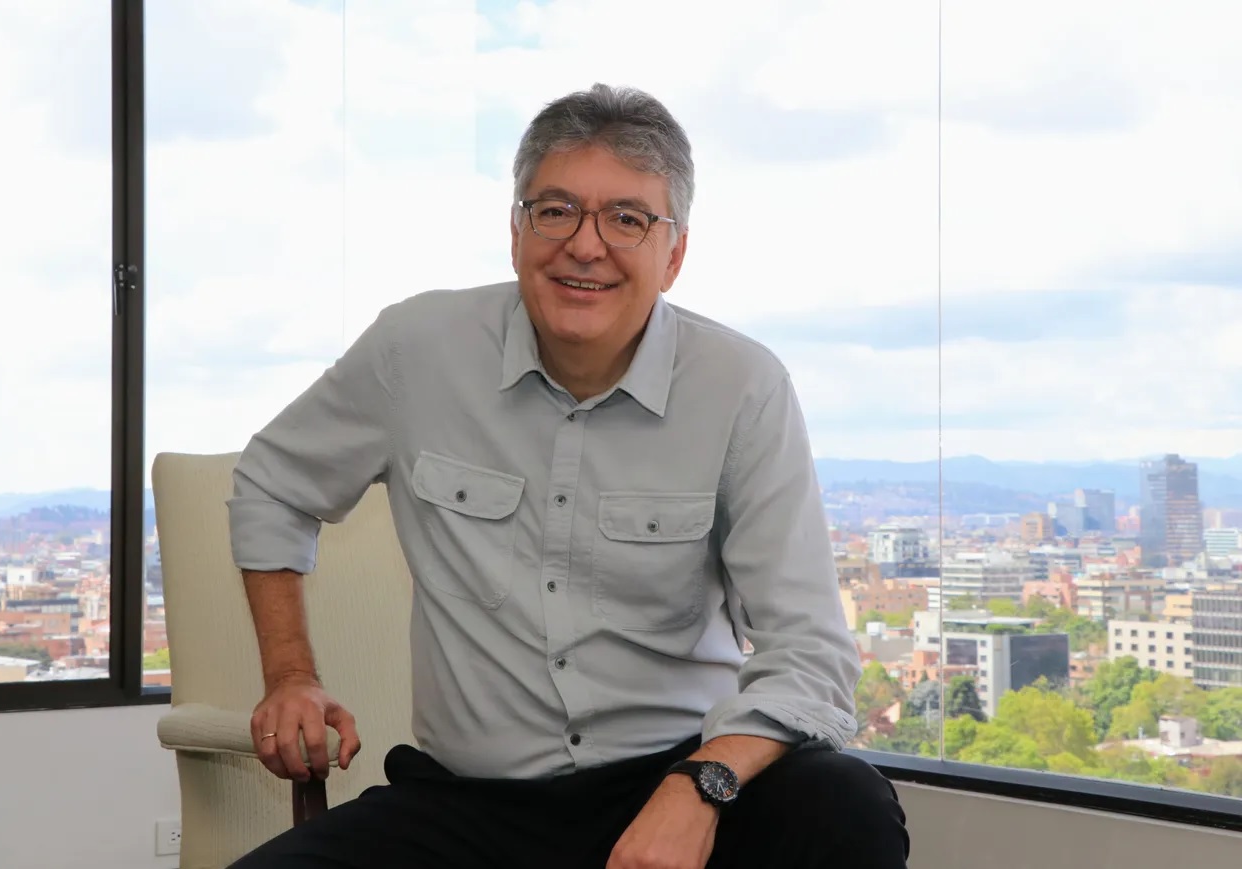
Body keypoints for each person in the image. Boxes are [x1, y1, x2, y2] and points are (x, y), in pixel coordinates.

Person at [226, 83, 909, 869]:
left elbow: (811, 657)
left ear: (674, 254)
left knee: (845, 803)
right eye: (556, 211)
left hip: (676, 777)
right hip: (466, 805)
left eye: (627, 218)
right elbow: (273, 482)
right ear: (516, 232)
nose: (585, 246)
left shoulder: (743, 387)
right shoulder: (415, 350)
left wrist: (701, 785)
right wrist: (290, 675)